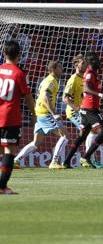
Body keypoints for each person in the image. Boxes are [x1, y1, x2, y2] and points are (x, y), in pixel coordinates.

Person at [62, 52, 103, 169]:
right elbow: (86, 88)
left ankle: (66, 161)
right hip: (90, 109)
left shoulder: (94, 74)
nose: (99, 62)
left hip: (88, 108)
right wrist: (101, 95)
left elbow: (93, 89)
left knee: (82, 136)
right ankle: (86, 157)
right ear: (91, 62)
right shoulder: (89, 74)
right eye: (96, 60)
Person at [14, 61, 69, 169]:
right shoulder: (51, 81)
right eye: (59, 67)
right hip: (45, 113)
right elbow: (44, 97)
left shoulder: (48, 80)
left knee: (36, 142)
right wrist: (54, 114)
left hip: (39, 113)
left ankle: (16, 160)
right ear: (53, 69)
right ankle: (54, 162)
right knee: (65, 135)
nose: (62, 69)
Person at [0, 41, 36, 194]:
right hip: (10, 117)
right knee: (9, 150)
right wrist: (34, 114)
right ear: (19, 55)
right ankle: (2, 187)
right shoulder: (19, 73)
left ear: (4, 53)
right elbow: (27, 97)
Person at [62, 54, 99, 165]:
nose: (85, 64)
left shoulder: (84, 77)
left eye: (85, 62)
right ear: (76, 65)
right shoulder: (73, 80)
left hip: (84, 110)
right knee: (90, 131)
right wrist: (77, 108)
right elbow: (65, 98)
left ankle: (73, 160)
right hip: (74, 111)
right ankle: (88, 160)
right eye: (82, 63)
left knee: (87, 133)